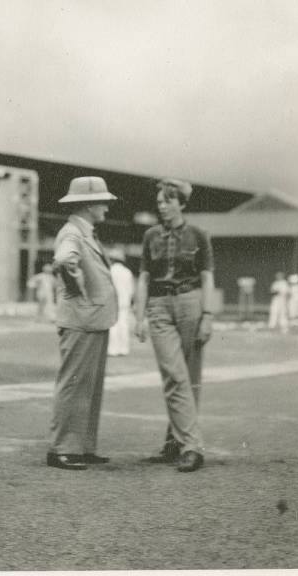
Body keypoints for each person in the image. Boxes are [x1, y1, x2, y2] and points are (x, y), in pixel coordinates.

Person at [135, 178, 214, 473]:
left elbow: (207, 277)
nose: (163, 207)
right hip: (159, 306)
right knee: (174, 373)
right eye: (159, 202)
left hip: (190, 302)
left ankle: (174, 443)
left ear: (181, 203)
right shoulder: (150, 235)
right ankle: (192, 446)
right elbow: (143, 277)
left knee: (188, 378)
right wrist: (139, 315)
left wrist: (207, 315)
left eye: (168, 201)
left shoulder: (199, 234)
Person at [47, 176, 119, 470]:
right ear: (88, 204)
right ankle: (62, 448)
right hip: (81, 319)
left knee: (89, 387)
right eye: (102, 201)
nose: (106, 207)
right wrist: (77, 288)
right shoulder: (73, 234)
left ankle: (83, 446)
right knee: (75, 384)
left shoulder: (83, 231)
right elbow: (65, 261)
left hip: (92, 319)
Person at [107, 247, 134, 356]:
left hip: (112, 301)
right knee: (124, 325)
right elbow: (131, 290)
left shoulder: (110, 271)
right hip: (125, 301)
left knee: (113, 326)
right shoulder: (127, 272)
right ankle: (124, 349)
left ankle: (113, 349)